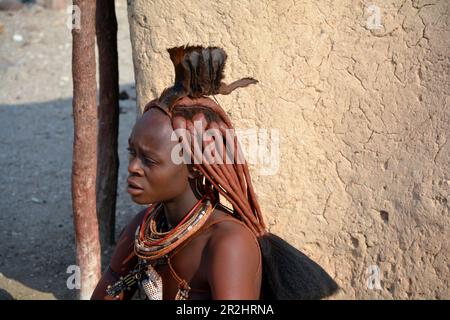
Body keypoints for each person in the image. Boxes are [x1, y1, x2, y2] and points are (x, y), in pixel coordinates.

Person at [91, 46, 338, 300]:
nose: (133, 167)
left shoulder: (228, 245)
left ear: (194, 166)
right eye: (132, 153)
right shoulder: (145, 229)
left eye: (149, 160)